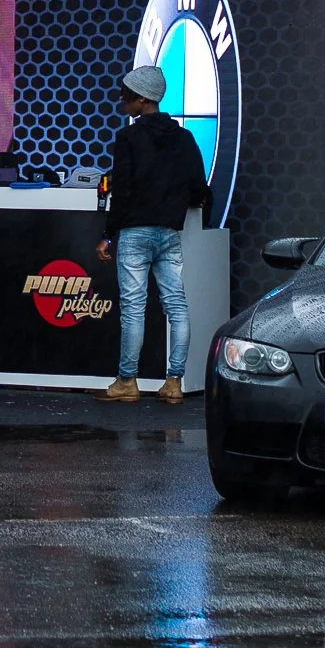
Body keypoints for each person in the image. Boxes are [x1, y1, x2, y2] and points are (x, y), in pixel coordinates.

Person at [97, 65, 210, 406]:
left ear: (141, 99)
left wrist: (108, 234)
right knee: (177, 306)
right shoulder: (185, 138)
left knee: (134, 308)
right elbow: (198, 189)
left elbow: (123, 192)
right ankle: (174, 382)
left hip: (134, 232)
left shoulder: (128, 138)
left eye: (127, 96)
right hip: (170, 232)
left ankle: (127, 382)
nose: (122, 101)